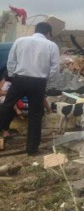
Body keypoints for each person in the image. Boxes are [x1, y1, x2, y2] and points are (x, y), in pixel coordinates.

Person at [0, 22, 60, 155]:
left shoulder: (20, 41)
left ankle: (3, 129)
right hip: (38, 82)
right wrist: (47, 81)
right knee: (35, 115)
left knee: (7, 105)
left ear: (36, 30)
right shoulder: (51, 45)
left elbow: (11, 61)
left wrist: (12, 75)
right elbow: (55, 69)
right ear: (48, 33)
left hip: (19, 79)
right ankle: (32, 150)